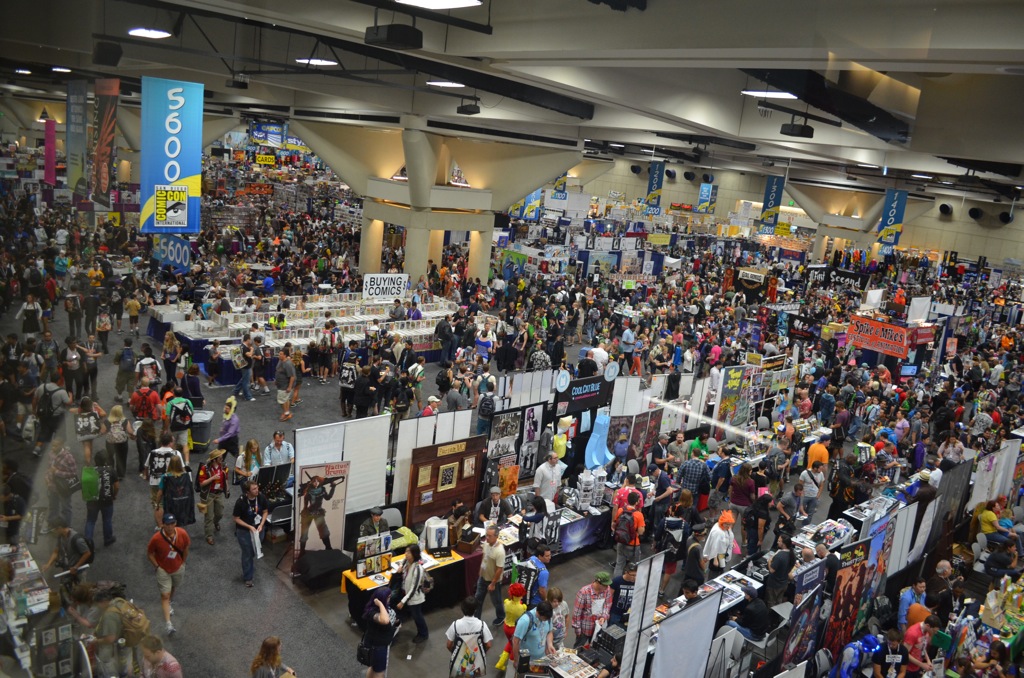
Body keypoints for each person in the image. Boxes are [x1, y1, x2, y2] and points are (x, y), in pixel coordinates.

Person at [147, 513, 190, 635]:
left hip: (177, 567)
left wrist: (183, 563)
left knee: (173, 587)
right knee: (164, 595)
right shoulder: (156, 538)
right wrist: (157, 566)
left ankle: (170, 601)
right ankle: (169, 624)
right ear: (163, 525)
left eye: (172, 524)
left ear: (175, 523)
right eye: (167, 524)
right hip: (163, 570)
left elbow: (186, 547)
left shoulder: (182, 533)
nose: (170, 527)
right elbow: (149, 553)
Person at [233, 479, 269, 587]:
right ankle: (248, 577)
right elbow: (236, 518)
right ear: (247, 492)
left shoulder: (261, 497)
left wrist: (262, 524)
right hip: (244, 531)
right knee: (247, 553)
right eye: (254, 489)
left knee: (254, 550)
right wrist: (249, 526)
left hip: (258, 529)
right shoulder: (240, 502)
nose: (257, 490)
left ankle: (249, 564)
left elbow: (265, 511)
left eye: (257, 488)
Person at [445, 596, 493, 677]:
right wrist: (482, 652)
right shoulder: (482, 625)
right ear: (475, 609)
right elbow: (488, 645)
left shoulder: (456, 625)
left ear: (462, 608)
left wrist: (454, 652)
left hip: (459, 664)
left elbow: (449, 645)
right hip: (476, 664)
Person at [145, 432, 185, 528]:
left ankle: (160, 526)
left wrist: (147, 477)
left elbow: (146, 466)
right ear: (170, 443)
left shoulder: (153, 452)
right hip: (172, 482)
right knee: (173, 501)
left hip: (155, 481)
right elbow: (182, 468)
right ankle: (173, 522)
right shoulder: (176, 453)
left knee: (158, 503)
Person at [84, 450, 118, 547]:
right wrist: (114, 495)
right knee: (107, 519)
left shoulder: (89, 470)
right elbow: (117, 486)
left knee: (90, 520)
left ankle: (88, 541)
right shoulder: (110, 470)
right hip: (106, 499)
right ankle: (108, 538)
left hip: (92, 500)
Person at [362, 588, 399, 678]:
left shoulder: (385, 608)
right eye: (388, 597)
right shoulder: (373, 612)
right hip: (377, 647)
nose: (390, 599)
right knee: (379, 672)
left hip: (378, 644)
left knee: (374, 668)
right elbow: (385, 620)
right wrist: (380, 604)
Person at [197, 448, 230, 545]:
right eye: (219, 458)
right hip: (209, 495)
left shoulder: (224, 466)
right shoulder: (204, 468)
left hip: (219, 494)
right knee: (209, 517)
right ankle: (209, 536)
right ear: (214, 460)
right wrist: (212, 478)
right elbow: (202, 483)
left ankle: (216, 522)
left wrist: (227, 490)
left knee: (219, 513)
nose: (222, 459)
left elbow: (226, 479)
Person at [572, 571, 613, 648]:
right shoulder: (584, 592)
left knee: (595, 647)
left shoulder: (607, 590)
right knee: (578, 648)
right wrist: (577, 629)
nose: (607, 587)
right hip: (585, 628)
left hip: (598, 627)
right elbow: (577, 612)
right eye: (605, 585)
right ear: (598, 583)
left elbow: (607, 604)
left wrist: (603, 616)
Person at [475, 524, 506, 624]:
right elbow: (484, 557)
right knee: (478, 599)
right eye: (486, 535)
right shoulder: (486, 544)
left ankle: (501, 616)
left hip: (493, 581)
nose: (487, 538)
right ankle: (476, 619)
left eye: (489, 536)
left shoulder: (500, 551)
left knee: (496, 601)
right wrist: (480, 570)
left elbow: (499, 569)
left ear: (496, 536)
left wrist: (493, 583)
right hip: (483, 578)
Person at [495, 583, 528, 671]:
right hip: (514, 629)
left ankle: (500, 662)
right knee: (515, 646)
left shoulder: (506, 603)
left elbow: (507, 601)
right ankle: (511, 663)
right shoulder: (522, 607)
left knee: (510, 643)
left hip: (506, 627)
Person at [511, 601, 554, 668]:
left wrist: (550, 644)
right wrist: (516, 661)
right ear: (539, 613)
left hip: (542, 658)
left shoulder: (547, 617)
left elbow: (549, 632)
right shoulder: (525, 620)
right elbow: (515, 641)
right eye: (545, 619)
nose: (546, 620)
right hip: (528, 661)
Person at [612, 491, 645, 578]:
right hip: (633, 544)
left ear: (627, 500)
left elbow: (615, 524)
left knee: (619, 565)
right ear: (637, 502)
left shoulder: (620, 510)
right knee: (634, 567)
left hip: (621, 541)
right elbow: (641, 531)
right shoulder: (639, 515)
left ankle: (616, 584)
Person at [158, 455, 195, 527]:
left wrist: (157, 504)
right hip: (184, 502)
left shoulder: (165, 476)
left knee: (171, 522)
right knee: (182, 521)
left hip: (170, 503)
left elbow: (160, 492)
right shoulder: (186, 475)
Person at [104, 404, 135, 481]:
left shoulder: (107, 421)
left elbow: (102, 431)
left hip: (110, 442)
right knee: (121, 458)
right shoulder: (125, 421)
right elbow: (130, 431)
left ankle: (110, 472)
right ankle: (120, 474)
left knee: (110, 457)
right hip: (122, 442)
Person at [763, 534, 795, 605]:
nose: (777, 542)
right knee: (778, 600)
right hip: (784, 583)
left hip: (774, 585)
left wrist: (769, 561)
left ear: (783, 544)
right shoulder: (791, 554)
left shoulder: (780, 556)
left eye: (779, 541)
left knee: (771, 602)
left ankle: (770, 615)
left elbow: (771, 570)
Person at [704, 510, 736, 576]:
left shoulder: (726, 527)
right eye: (726, 524)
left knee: (721, 568)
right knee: (714, 572)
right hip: (718, 555)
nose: (728, 526)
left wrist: (730, 543)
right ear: (722, 522)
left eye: (729, 524)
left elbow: (728, 535)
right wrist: (715, 559)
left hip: (723, 554)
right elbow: (714, 546)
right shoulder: (718, 532)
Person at [212, 397, 241, 461]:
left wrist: (219, 440)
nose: (225, 409)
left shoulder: (234, 420)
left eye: (227, 408)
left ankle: (239, 469)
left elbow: (230, 433)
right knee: (219, 456)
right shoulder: (226, 415)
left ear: (232, 410)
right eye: (225, 407)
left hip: (231, 441)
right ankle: (219, 470)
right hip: (223, 440)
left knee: (238, 457)